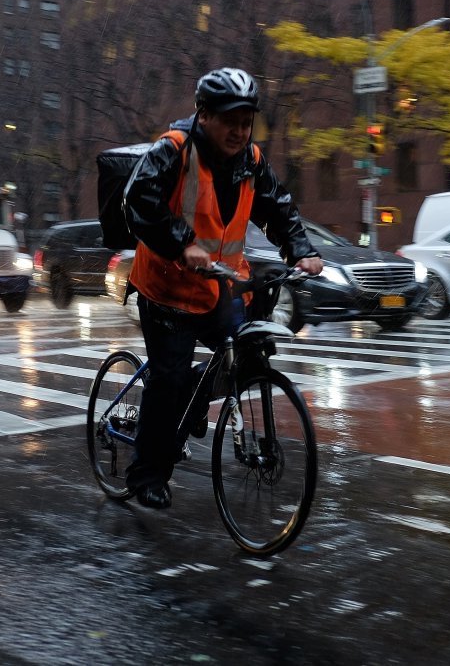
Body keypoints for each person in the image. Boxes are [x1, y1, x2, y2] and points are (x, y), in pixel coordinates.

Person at [122, 67, 324, 509]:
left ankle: (190, 405)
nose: (239, 131)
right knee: (169, 379)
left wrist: (300, 249)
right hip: (167, 291)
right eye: (230, 120)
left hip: (220, 288)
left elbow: (279, 206)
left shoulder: (252, 160)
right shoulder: (173, 150)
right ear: (204, 115)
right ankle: (147, 474)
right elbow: (138, 200)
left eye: (246, 122)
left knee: (247, 357)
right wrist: (182, 244)